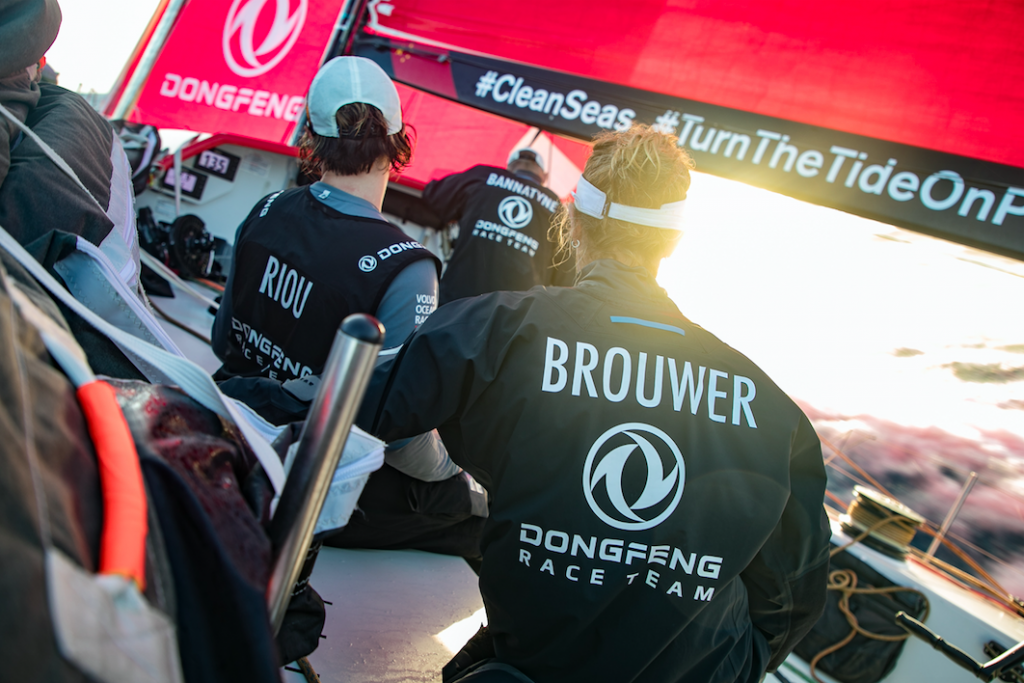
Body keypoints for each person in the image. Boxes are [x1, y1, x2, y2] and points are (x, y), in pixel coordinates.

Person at [363, 125, 831, 682]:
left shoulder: (493, 332)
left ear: (574, 221)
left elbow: (359, 408)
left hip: (534, 657)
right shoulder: (771, 411)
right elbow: (794, 595)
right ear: (674, 242)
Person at [211, 56, 485, 560]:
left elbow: (224, 341)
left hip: (232, 431)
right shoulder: (407, 268)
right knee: (477, 509)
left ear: (312, 140)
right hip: (318, 485)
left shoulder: (265, 208)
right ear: (400, 141)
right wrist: (456, 472)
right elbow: (401, 439)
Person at [422, 147, 573, 305]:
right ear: (544, 176)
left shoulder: (482, 176)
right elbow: (566, 277)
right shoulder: (557, 208)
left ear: (509, 166)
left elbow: (433, 194)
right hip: (513, 320)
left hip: (455, 305)